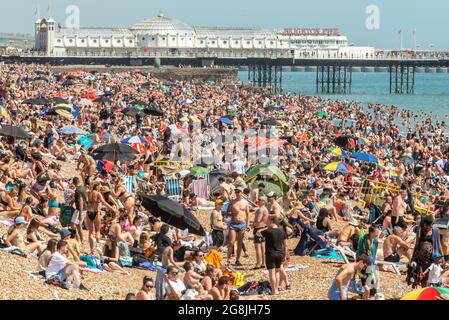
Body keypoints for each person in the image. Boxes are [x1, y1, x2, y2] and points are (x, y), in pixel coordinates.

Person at [256, 216, 290, 295]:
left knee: (272, 272)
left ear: (272, 222)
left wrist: (266, 228)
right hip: (280, 253)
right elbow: (286, 245)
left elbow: (257, 233)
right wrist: (285, 255)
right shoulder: (282, 231)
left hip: (270, 254)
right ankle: (276, 289)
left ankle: (274, 291)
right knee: (277, 272)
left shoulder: (268, 231)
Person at [227, 187, 249, 266]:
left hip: (242, 223)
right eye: (236, 191)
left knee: (240, 243)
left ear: (241, 192)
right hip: (233, 223)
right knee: (231, 242)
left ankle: (237, 260)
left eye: (238, 191)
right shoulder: (232, 202)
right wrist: (231, 213)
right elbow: (227, 212)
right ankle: (229, 258)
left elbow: (247, 214)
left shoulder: (245, 203)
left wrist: (247, 224)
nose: (237, 193)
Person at [71, 177, 87, 247]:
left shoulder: (77, 190)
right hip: (84, 208)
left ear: (74, 183)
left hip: (80, 209)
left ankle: (78, 240)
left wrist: (80, 213)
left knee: (72, 224)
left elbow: (80, 201)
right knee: (78, 225)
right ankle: (82, 240)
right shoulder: (83, 188)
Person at [253, 195, 269, 269]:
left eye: (259, 200)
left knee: (258, 247)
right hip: (264, 228)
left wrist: (252, 222)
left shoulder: (260, 210)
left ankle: (258, 263)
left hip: (258, 229)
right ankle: (263, 263)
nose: (258, 200)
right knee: (263, 246)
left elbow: (258, 220)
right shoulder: (265, 209)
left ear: (263, 201)